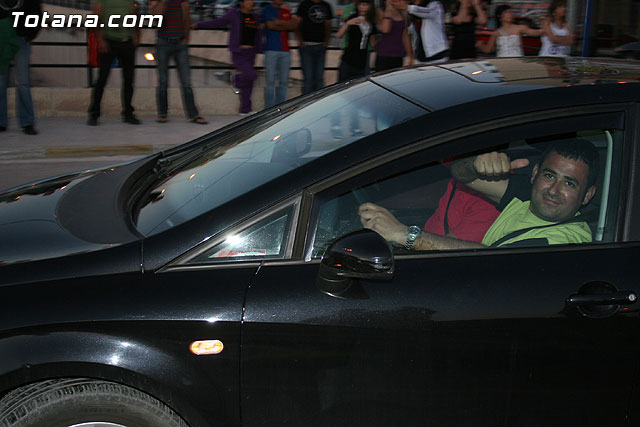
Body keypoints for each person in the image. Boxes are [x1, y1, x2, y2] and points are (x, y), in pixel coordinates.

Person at [359, 139, 598, 250]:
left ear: (587, 195)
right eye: (549, 175)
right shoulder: (527, 195)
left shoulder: (564, 241)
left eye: (569, 183)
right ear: (535, 173)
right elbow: (461, 173)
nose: (554, 190)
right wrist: (476, 164)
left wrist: (405, 234)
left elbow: (490, 260)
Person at [194, 0, 262, 115]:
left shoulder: (255, 16)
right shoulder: (234, 14)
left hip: (251, 52)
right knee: (250, 74)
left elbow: (258, 33)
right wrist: (198, 25)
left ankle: (245, 109)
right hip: (239, 52)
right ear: (241, 2)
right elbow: (217, 22)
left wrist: (259, 48)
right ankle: (235, 79)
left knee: (249, 82)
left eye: (252, 0)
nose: (251, 2)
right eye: (248, 0)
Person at [150, 0, 208, 124]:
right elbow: (155, 17)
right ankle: (162, 113)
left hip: (180, 43)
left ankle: (193, 114)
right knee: (163, 81)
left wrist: (186, 38)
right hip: (163, 42)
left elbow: (187, 18)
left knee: (186, 81)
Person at [88, 0, 141, 126]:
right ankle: (94, 114)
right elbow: (96, 18)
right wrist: (100, 40)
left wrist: (137, 36)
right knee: (102, 78)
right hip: (108, 41)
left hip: (127, 41)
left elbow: (134, 15)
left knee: (129, 79)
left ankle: (128, 113)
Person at [0, 0, 41, 135]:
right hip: (2, 38)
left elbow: (36, 11)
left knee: (23, 82)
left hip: (21, 38)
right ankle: (1, 122)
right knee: (1, 82)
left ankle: (27, 122)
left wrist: (30, 34)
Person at [262, 0, 298, 108]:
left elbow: (293, 26)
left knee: (284, 81)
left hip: (285, 50)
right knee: (270, 81)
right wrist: (285, 24)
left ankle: (280, 107)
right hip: (271, 49)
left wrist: (279, 22)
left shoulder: (286, 11)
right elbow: (270, 25)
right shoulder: (267, 9)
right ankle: (269, 108)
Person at [295, 0, 333, 94]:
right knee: (308, 78)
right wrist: (300, 41)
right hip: (306, 46)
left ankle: (319, 101)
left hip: (321, 46)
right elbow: (297, 24)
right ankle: (307, 101)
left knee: (319, 78)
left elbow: (328, 25)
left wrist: (326, 42)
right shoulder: (304, 4)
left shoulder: (326, 6)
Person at [476, 4, 541, 57]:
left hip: (517, 61)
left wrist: (544, 30)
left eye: (510, 12)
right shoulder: (496, 33)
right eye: (506, 12)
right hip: (503, 62)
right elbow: (488, 49)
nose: (510, 14)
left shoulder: (519, 28)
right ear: (499, 16)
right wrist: (480, 45)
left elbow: (534, 32)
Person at [335, 0, 377, 81]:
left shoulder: (371, 21)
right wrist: (348, 23)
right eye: (360, 5)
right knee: (343, 83)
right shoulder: (353, 18)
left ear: (369, 6)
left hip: (362, 60)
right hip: (349, 58)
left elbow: (373, 41)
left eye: (365, 5)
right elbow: (339, 35)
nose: (362, 7)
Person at [375, 0, 412, 72]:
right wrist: (388, 10)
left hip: (398, 54)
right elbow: (385, 30)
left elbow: (405, 36)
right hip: (384, 54)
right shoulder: (381, 12)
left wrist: (410, 55)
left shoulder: (403, 13)